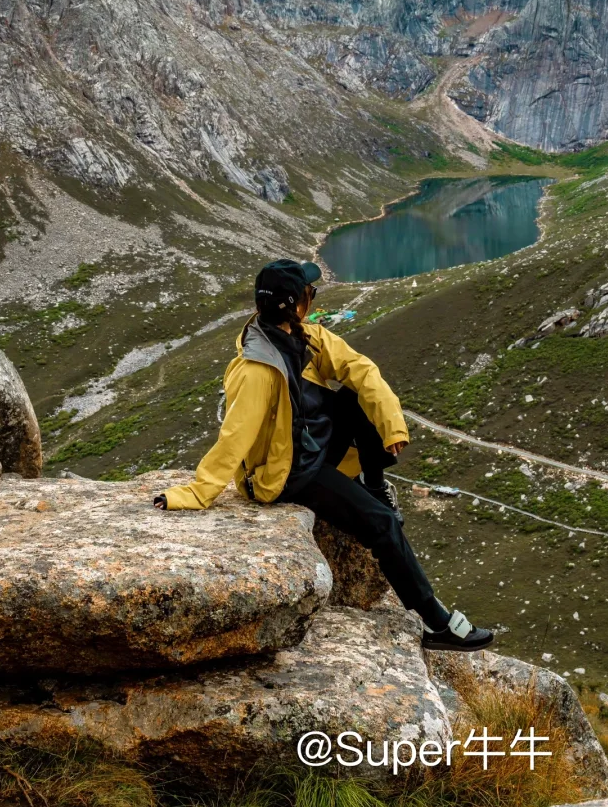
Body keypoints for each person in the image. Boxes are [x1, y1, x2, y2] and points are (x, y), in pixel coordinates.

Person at [155, 258, 493, 650]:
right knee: (382, 523)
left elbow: (360, 370)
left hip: (311, 443)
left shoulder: (305, 336)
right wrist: (196, 493)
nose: (313, 299)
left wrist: (392, 425)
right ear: (295, 304)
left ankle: (373, 483)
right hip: (290, 473)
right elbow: (234, 437)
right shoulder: (257, 370)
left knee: (357, 399)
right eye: (310, 294)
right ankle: (437, 624)